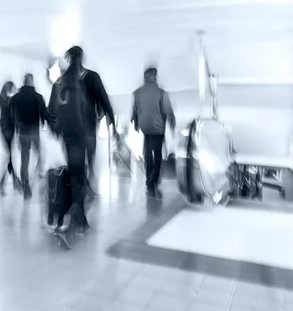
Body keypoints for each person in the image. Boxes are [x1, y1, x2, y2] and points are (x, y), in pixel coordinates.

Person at [48, 46, 116, 249]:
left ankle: (80, 221)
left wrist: (57, 130)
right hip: (88, 134)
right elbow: (104, 100)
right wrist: (112, 123)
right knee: (83, 176)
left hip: (70, 137)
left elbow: (51, 111)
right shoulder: (92, 77)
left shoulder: (60, 82)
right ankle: (74, 223)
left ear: (68, 58)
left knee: (78, 176)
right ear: (82, 57)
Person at [131, 67, 176, 199]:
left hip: (145, 128)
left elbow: (134, 110)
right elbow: (168, 111)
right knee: (157, 156)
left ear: (145, 77)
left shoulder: (137, 93)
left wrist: (136, 123)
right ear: (154, 76)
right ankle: (153, 182)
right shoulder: (161, 93)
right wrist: (172, 125)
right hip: (157, 128)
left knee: (147, 154)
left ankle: (149, 180)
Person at [10, 73, 52, 200]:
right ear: (32, 81)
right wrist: (49, 124)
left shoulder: (15, 98)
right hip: (34, 132)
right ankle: (37, 175)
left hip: (22, 133)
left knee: (24, 160)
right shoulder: (38, 97)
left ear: (23, 81)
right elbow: (44, 113)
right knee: (41, 155)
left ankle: (26, 183)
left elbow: (12, 116)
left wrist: (15, 130)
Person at [0, 81, 22, 196]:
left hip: (3, 128)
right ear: (10, 88)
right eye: (14, 87)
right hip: (9, 130)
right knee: (9, 157)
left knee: (9, 157)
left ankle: (15, 182)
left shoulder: (3, 99)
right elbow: (15, 116)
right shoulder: (11, 100)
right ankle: (3, 185)